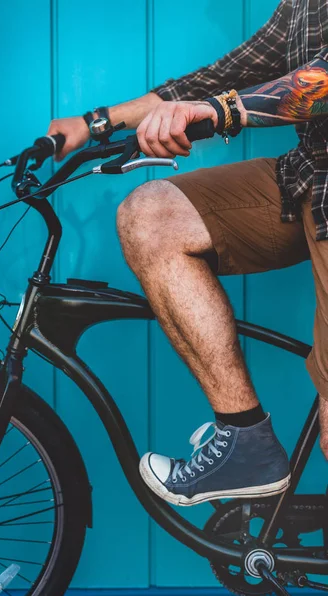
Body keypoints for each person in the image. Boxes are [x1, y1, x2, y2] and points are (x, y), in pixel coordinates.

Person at [48, 0, 328, 507]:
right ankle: (246, 440)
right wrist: (94, 123)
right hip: (310, 176)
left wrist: (222, 112)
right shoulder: (303, 5)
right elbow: (227, 74)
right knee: (153, 216)